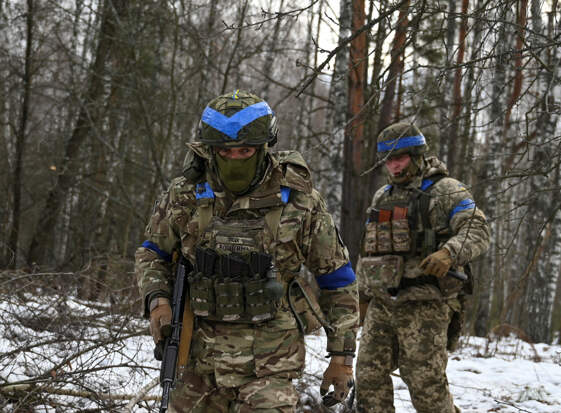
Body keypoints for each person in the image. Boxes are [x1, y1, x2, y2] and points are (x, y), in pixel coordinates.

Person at [135, 90, 358, 412]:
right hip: (198, 359)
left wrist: (342, 358)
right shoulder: (186, 194)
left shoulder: (299, 200)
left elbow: (337, 279)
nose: (235, 159)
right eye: (225, 152)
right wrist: (157, 300)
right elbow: (152, 252)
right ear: (210, 150)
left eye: (245, 150)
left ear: (265, 146)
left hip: (271, 363)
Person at [354, 122, 490, 413]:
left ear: (417, 155)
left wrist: (448, 253)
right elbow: (369, 248)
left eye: (399, 158)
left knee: (425, 385)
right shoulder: (383, 196)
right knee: (368, 377)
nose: (394, 166)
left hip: (425, 303)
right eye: (388, 160)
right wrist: (362, 296)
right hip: (383, 303)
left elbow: (477, 229)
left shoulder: (446, 191)